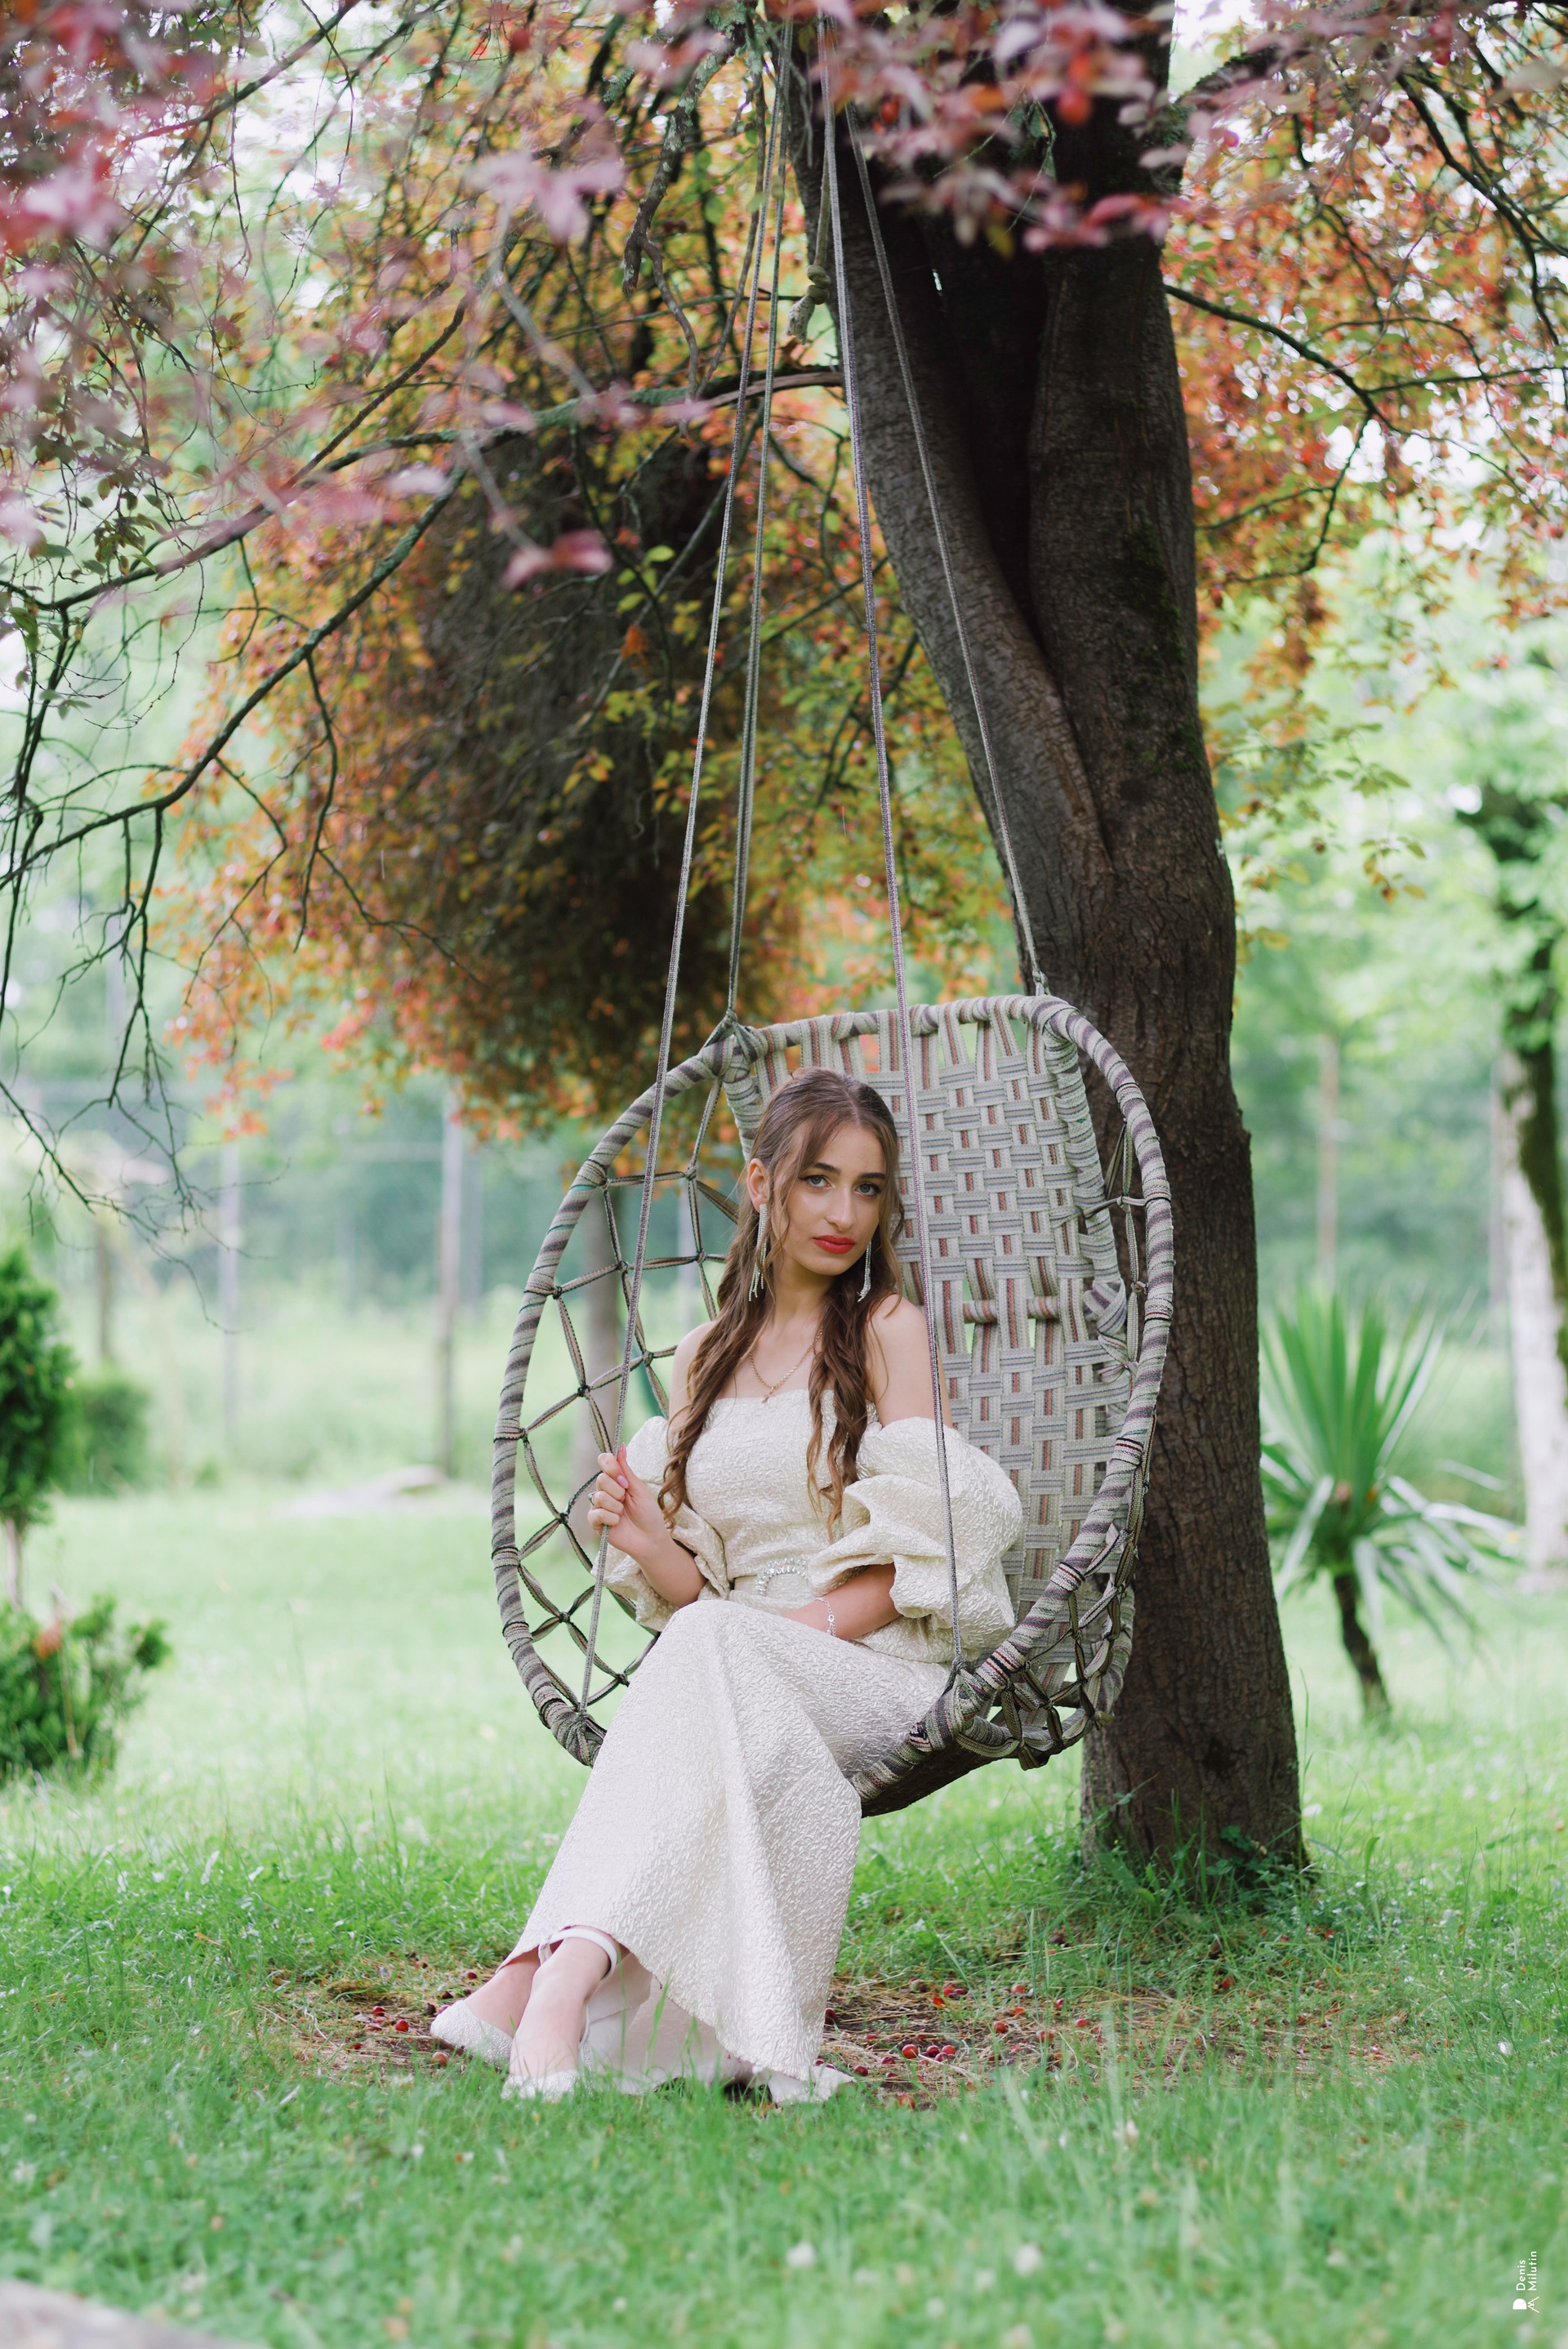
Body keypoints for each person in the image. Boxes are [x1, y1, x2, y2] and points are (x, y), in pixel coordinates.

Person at [432, 1066, 1022, 2102]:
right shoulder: (704, 1350)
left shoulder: (887, 1327)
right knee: (707, 1643)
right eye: (817, 1180)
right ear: (760, 1182)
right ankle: (574, 1983)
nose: (844, 1214)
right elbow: (700, 1596)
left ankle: (544, 1980)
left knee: (710, 1643)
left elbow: (924, 1541)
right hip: (736, 1659)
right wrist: (649, 1537)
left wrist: (793, 1625)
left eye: (869, 1188)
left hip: (873, 1656)